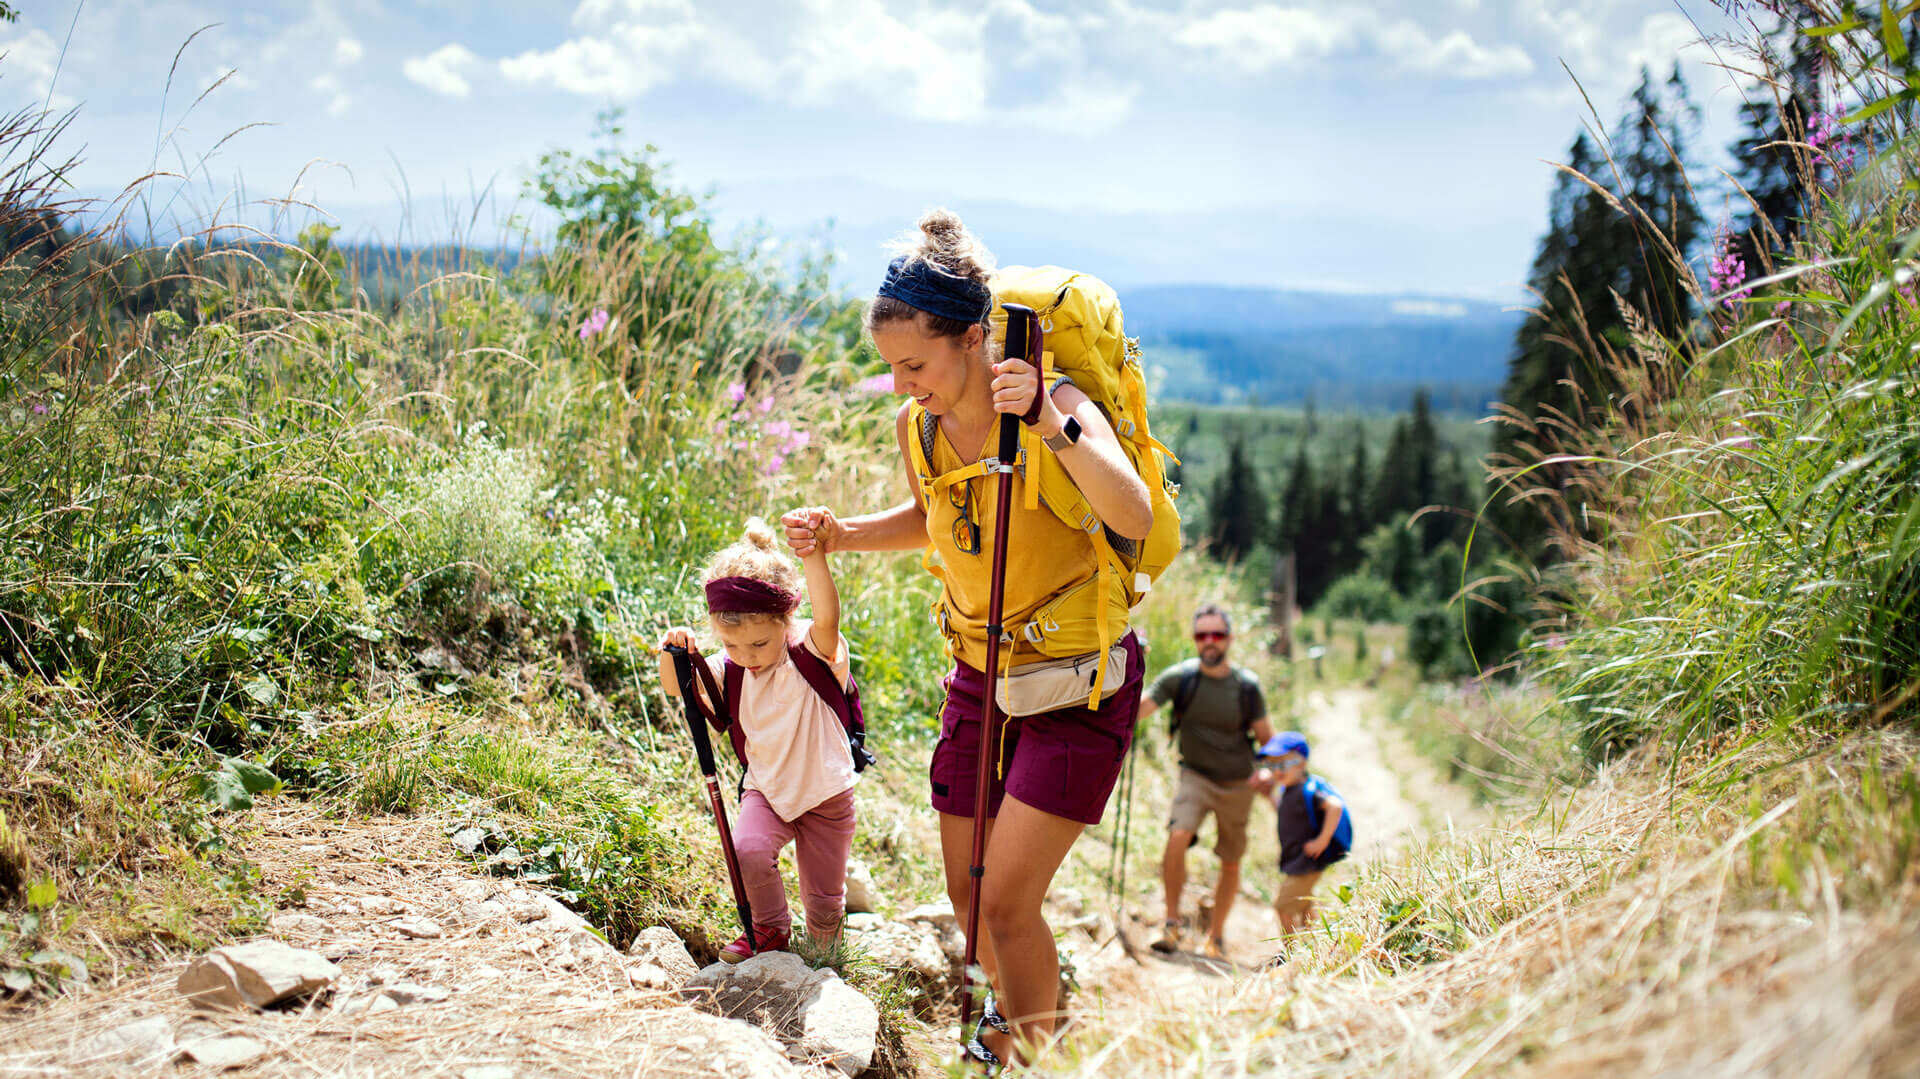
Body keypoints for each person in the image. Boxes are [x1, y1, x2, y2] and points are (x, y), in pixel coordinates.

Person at [784, 209, 1153, 1070]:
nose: (904, 382)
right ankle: (1026, 1023)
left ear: (975, 338)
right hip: (979, 675)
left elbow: (1130, 509)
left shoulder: (1054, 402)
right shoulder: (921, 426)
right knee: (970, 894)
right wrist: (842, 535)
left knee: (1012, 901)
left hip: (1076, 681)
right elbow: (935, 515)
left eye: (915, 363)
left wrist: (1055, 428)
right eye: (892, 368)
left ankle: (1033, 1055)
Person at [658, 518, 856, 962]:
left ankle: (826, 952)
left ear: (787, 621)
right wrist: (670, 652)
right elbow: (677, 686)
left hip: (826, 791)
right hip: (767, 787)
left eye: (760, 644)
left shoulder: (811, 649)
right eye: (731, 646)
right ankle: (769, 930)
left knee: (824, 898)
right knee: (747, 850)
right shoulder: (731, 667)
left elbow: (828, 615)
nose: (747, 657)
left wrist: (814, 556)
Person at [1136, 602, 1273, 960]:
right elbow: (1140, 708)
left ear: (1229, 639)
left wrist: (1270, 771)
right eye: (1202, 635)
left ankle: (1216, 936)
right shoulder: (1180, 678)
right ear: (1195, 640)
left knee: (1230, 860)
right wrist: (1129, 666)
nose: (1210, 642)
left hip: (1238, 784)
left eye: (1217, 634)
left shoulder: (1246, 687)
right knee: (1177, 835)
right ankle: (1171, 924)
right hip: (1195, 776)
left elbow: (1268, 741)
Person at [1251, 731, 1349, 936]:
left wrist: (1322, 840)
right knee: (1305, 905)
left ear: (1302, 763)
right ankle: (1317, 944)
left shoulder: (1309, 790)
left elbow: (1335, 807)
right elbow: (1287, 815)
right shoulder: (1288, 791)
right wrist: (1270, 797)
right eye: (1272, 766)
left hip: (1308, 860)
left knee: (1283, 907)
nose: (1277, 772)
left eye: (1283, 765)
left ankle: (1291, 953)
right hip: (1297, 859)